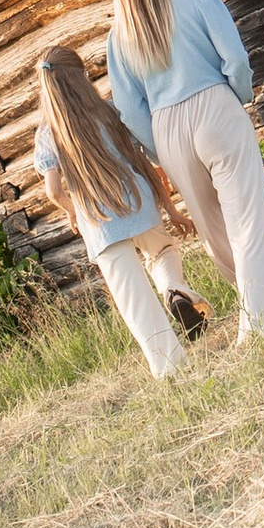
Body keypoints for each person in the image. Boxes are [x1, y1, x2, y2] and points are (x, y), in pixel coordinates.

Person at [105, 0, 264, 339]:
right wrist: (239, 97)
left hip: (166, 128)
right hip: (215, 107)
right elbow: (235, 59)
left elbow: (129, 111)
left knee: (215, 230)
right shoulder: (197, 0)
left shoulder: (119, 39)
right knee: (247, 216)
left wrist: (160, 150)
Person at [32, 45, 206, 382]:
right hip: (139, 201)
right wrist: (171, 208)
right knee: (164, 251)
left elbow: (53, 191)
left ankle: (170, 368)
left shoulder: (48, 134)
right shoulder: (111, 112)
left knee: (134, 299)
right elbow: (145, 162)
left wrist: (73, 211)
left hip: (100, 221)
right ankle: (174, 290)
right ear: (81, 78)